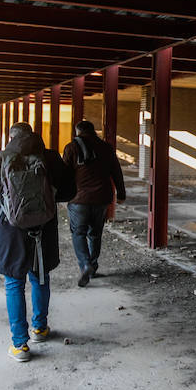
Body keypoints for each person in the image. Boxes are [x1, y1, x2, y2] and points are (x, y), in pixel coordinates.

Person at [0, 123, 71, 362]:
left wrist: (6, 204)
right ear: (34, 136)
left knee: (14, 284)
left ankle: (20, 345)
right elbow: (70, 191)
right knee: (40, 277)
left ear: (11, 138)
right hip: (44, 229)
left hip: (11, 231)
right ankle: (40, 329)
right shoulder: (50, 158)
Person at [62, 119, 127, 287]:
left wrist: (61, 194)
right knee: (95, 233)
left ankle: (85, 265)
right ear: (93, 131)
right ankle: (93, 266)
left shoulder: (72, 147)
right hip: (101, 198)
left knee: (78, 233)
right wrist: (121, 194)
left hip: (79, 199)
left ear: (78, 132)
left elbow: (64, 173)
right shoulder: (106, 147)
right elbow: (116, 172)